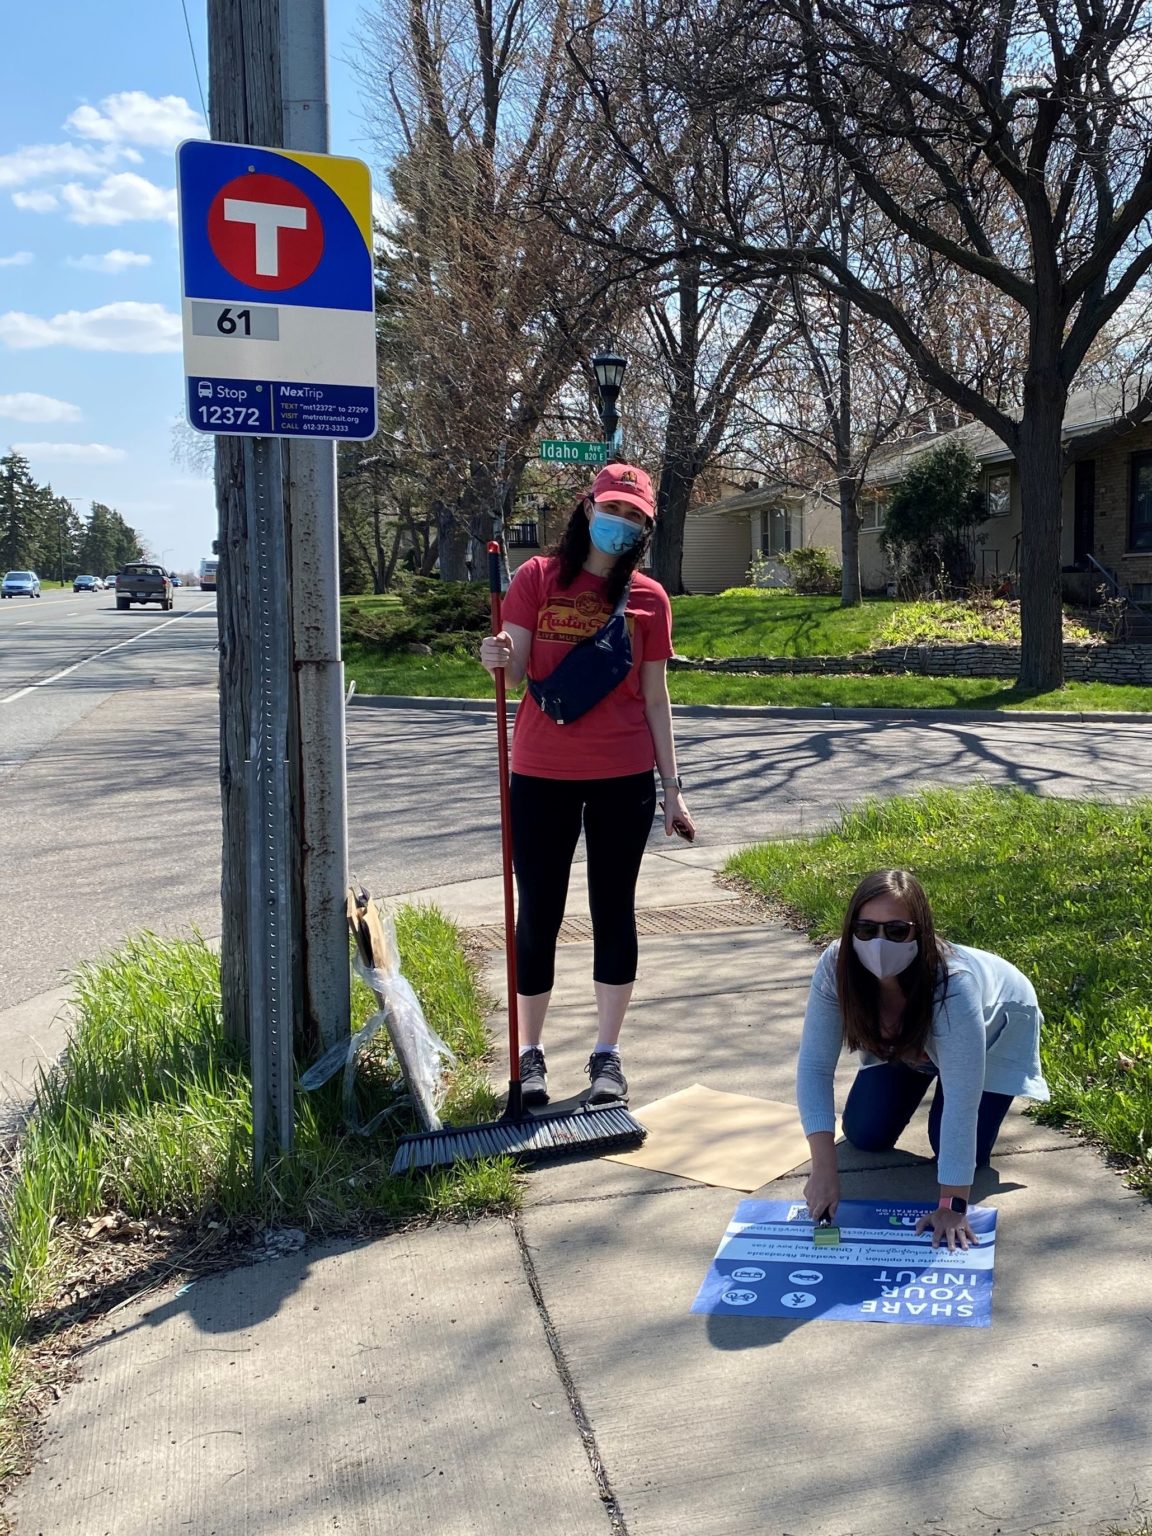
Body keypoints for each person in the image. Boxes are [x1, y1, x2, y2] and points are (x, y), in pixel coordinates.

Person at [479, 462, 695, 1110]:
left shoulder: (650, 599)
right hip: (540, 774)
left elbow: (656, 699)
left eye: (635, 518)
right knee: (537, 913)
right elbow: (513, 671)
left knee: (613, 911)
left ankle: (607, 1055)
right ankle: (531, 1054)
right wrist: (495, 656)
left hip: (622, 777)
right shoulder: (536, 579)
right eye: (613, 509)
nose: (621, 524)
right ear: (587, 507)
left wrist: (673, 789)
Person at [796, 868, 1049, 1251]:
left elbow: (963, 1104)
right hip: (910, 1041)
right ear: (850, 930)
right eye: (866, 930)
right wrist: (823, 1169)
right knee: (865, 1134)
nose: (879, 942)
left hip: (995, 1020)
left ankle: (939, 1068)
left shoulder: (953, 985)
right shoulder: (836, 967)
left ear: (920, 932)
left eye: (896, 931)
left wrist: (951, 1204)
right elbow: (814, 1068)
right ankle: (923, 1066)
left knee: (956, 1150)